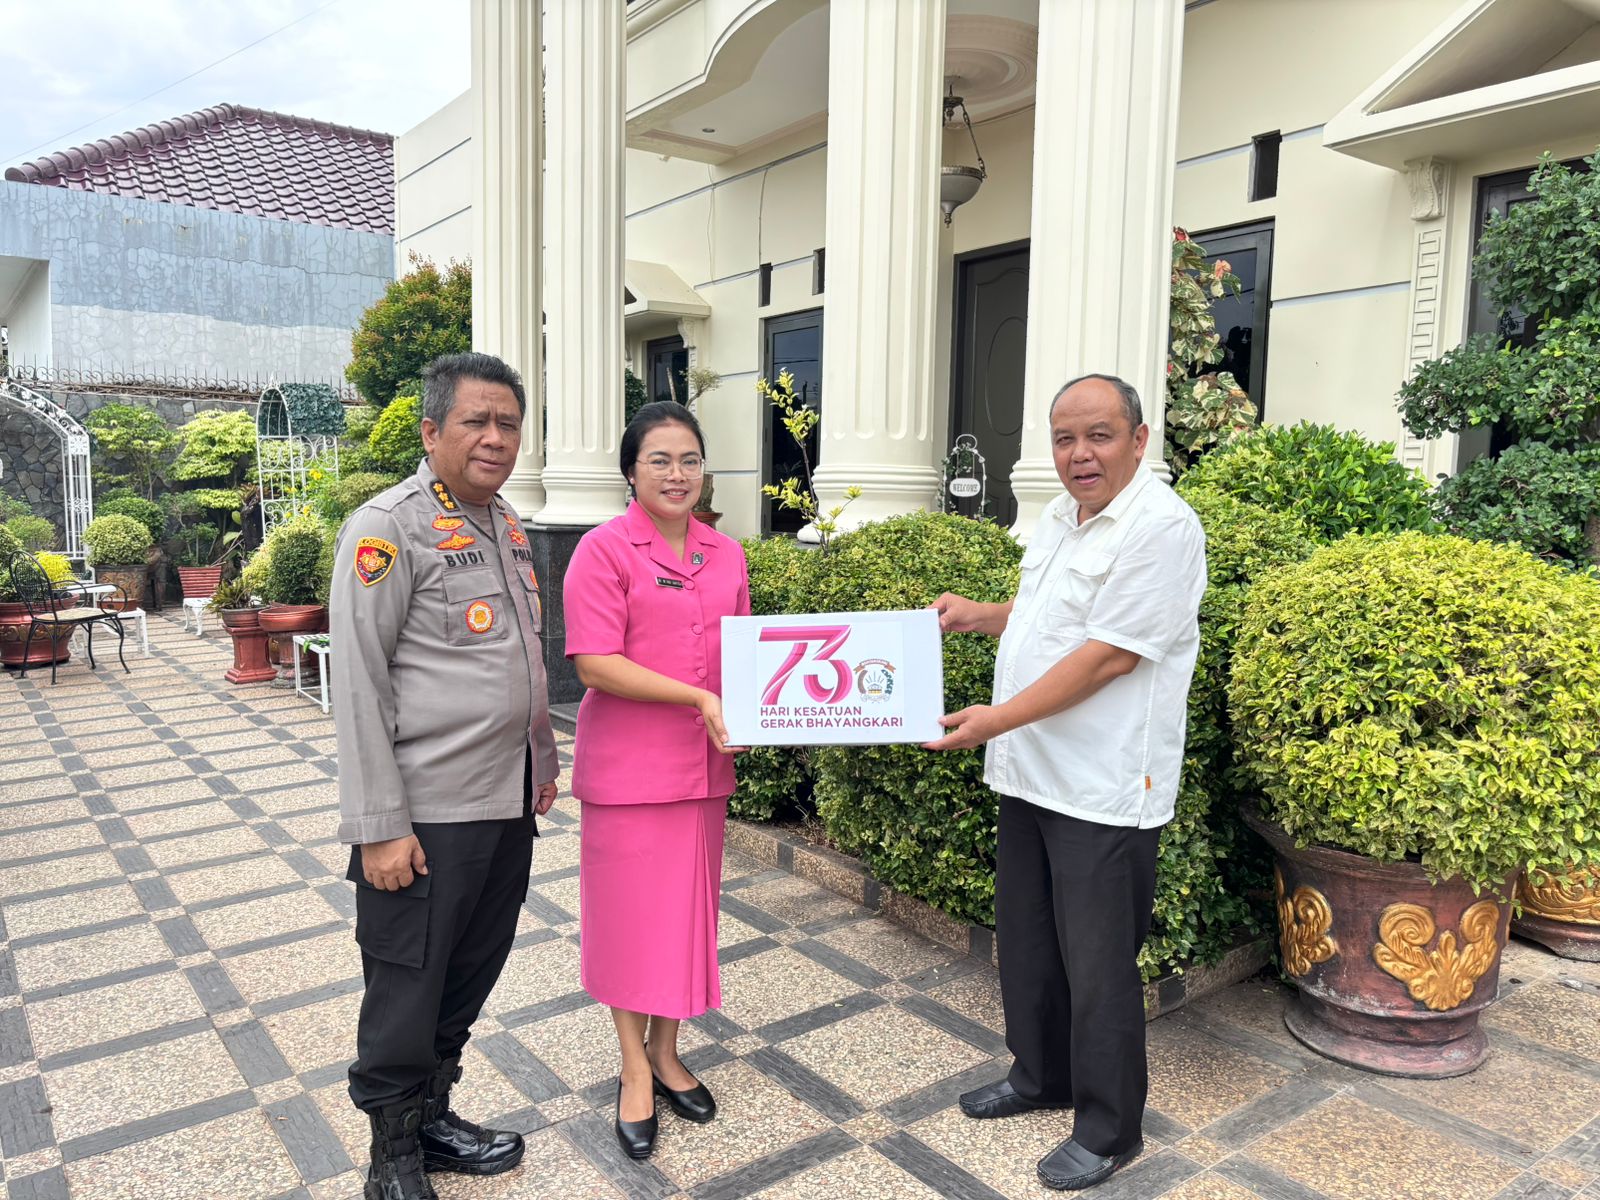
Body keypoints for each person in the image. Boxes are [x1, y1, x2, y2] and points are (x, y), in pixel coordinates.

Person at [924, 374, 1206, 1193]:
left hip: (1102, 786)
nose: (1080, 454)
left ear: (1140, 441)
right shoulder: (1060, 516)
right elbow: (1051, 616)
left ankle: (1111, 1128)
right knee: (1030, 944)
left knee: (1098, 964)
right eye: (1064, 439)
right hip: (1031, 771)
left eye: (1099, 435)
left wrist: (994, 719)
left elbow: (1110, 655)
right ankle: (1041, 1076)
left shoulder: (1161, 528)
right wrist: (980, 614)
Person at [331, 352, 560, 1200]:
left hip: (503, 802)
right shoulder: (388, 528)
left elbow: (520, 657)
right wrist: (380, 826)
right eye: (476, 421)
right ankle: (390, 1158)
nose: (495, 437)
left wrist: (542, 760)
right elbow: (360, 682)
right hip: (425, 816)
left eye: (509, 423)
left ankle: (432, 1119)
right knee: (408, 985)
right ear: (432, 432)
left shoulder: (505, 523)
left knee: (467, 972)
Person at [562, 401, 749, 1161]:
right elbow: (594, 662)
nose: (678, 474)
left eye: (690, 460)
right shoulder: (603, 550)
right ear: (631, 472)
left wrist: (777, 704)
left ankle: (668, 1053)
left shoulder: (726, 553)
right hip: (630, 772)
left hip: (703, 770)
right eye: (660, 460)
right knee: (631, 923)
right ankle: (633, 1067)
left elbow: (745, 652)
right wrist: (697, 697)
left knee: (686, 919)